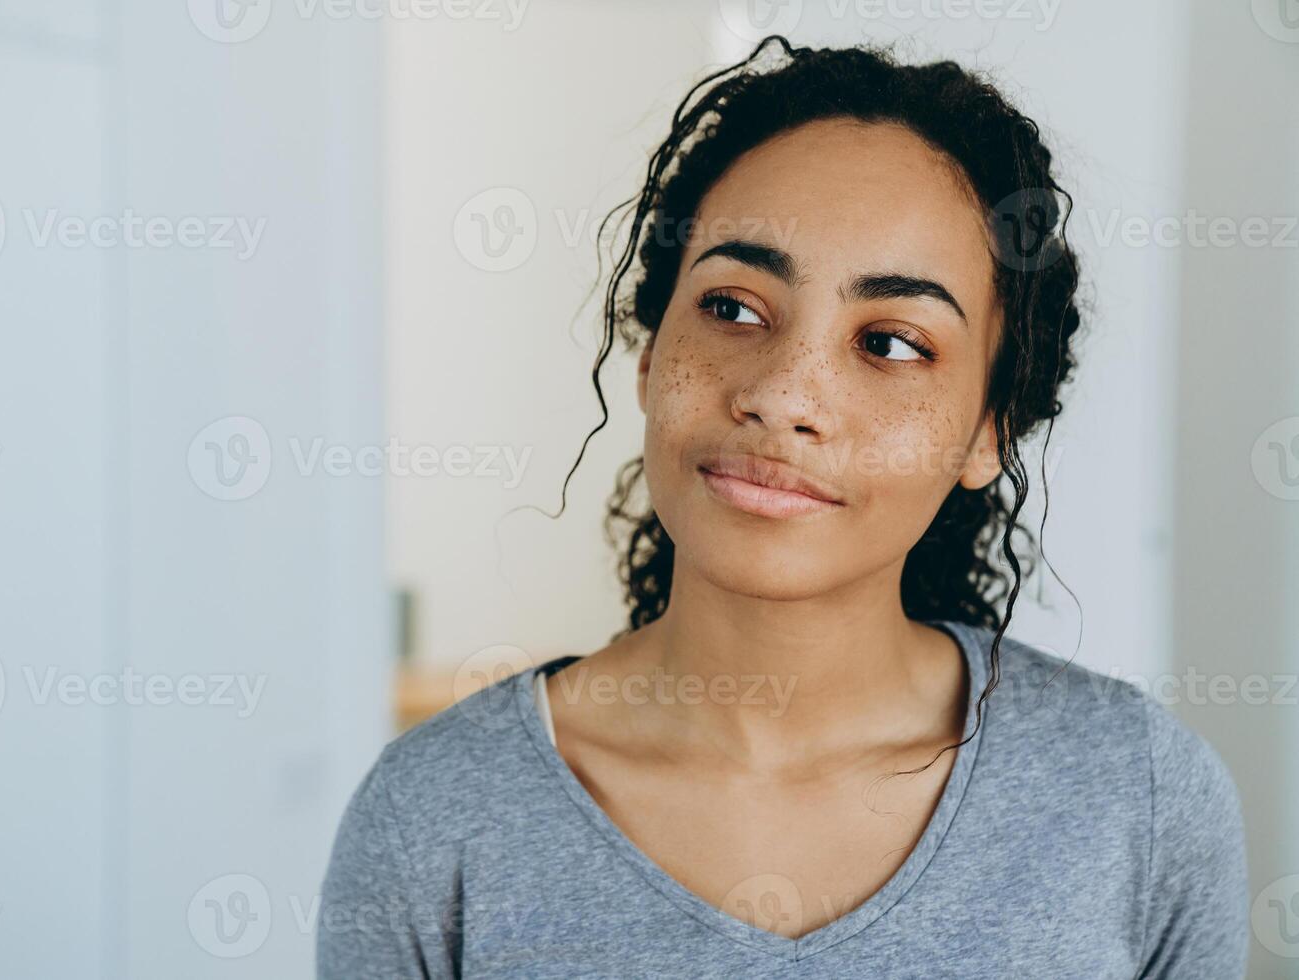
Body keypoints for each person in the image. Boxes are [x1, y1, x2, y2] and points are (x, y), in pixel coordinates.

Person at [317, 35, 1249, 977]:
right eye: (733, 308)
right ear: (648, 356)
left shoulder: (1139, 797)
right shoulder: (432, 821)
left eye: (889, 343)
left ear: (986, 434)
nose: (784, 396)